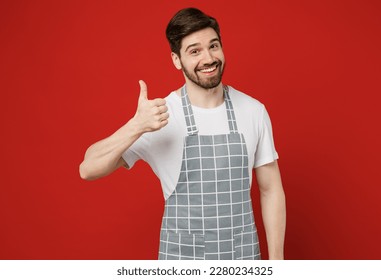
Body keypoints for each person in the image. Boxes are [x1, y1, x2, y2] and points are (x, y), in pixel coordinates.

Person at [79, 7, 286, 260]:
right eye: (194, 51)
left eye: (214, 46)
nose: (208, 58)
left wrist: (278, 266)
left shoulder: (253, 111)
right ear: (176, 60)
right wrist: (136, 126)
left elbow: (271, 189)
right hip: (181, 261)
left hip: (240, 258)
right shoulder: (161, 116)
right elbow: (88, 169)